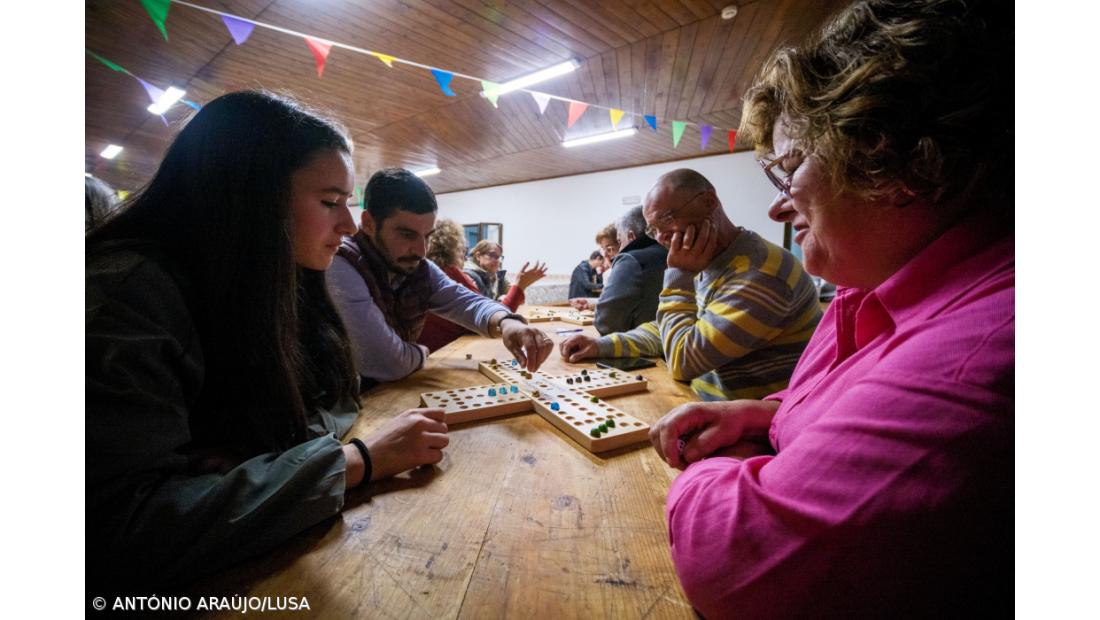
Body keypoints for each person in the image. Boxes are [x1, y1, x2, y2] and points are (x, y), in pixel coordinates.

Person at [649, 1, 1013, 616]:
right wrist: (765, 415)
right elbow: (823, 402)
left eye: (789, 170)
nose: (778, 206)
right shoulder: (862, 283)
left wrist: (734, 466)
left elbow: (732, 559)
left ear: (896, 161)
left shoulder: (983, 346)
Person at [87, 91, 450, 590]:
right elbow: (115, 532)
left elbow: (338, 394)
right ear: (247, 199)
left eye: (347, 204)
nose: (346, 227)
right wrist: (353, 461)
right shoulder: (125, 297)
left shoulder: (276, 276)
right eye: (330, 203)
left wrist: (264, 456)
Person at [561, 169, 821, 402]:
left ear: (709, 202)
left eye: (667, 219)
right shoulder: (710, 260)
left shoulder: (761, 271)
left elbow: (683, 360)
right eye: (652, 229)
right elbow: (665, 331)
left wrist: (678, 275)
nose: (661, 236)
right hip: (699, 404)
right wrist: (600, 345)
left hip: (752, 432)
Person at [328, 169, 553, 387]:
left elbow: (466, 301)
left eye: (427, 237)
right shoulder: (340, 264)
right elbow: (389, 363)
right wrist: (423, 352)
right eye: (407, 235)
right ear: (368, 224)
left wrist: (507, 322)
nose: (421, 251)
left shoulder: (417, 266)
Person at [418, 219, 539, 352]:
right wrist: (519, 286)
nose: (464, 258)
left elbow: (482, 309)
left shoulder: (429, 271)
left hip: (434, 352)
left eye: (499, 257)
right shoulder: (456, 273)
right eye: (461, 250)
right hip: (440, 354)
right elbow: (481, 316)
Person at [592, 206, 668, 335]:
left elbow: (605, 322)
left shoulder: (630, 260)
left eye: (620, 241)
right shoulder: (672, 254)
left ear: (631, 236)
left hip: (642, 345)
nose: (620, 247)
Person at [462, 240, 548, 302]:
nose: (497, 260)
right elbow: (479, 309)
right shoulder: (469, 276)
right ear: (478, 256)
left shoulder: (499, 275)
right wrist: (500, 301)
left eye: (499, 257)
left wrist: (520, 285)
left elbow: (516, 301)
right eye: (492, 255)